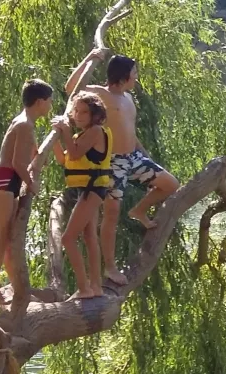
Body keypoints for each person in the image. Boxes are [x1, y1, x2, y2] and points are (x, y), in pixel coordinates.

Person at [65, 52, 179, 285]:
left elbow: (130, 129)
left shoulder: (128, 98)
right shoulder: (100, 93)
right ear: (124, 75)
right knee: (111, 214)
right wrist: (89, 59)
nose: (137, 77)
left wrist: (144, 154)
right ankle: (110, 268)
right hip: (112, 161)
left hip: (134, 156)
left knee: (170, 184)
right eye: (134, 73)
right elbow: (70, 88)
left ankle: (138, 211)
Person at [0, 79, 54, 305]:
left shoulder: (25, 123)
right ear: (40, 102)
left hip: (7, 182)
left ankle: (17, 287)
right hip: (4, 180)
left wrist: (41, 155)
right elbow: (17, 163)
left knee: (8, 239)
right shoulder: (24, 124)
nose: (51, 105)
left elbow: (30, 152)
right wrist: (32, 184)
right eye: (50, 101)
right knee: (0, 239)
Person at [51, 92, 112, 299]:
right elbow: (64, 159)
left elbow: (76, 153)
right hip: (85, 189)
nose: (78, 115)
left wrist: (66, 130)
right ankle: (95, 287)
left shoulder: (96, 131)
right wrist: (56, 138)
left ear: (95, 114)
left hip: (93, 188)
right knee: (88, 236)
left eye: (84, 111)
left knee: (68, 238)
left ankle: (84, 288)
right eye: (75, 110)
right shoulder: (78, 136)